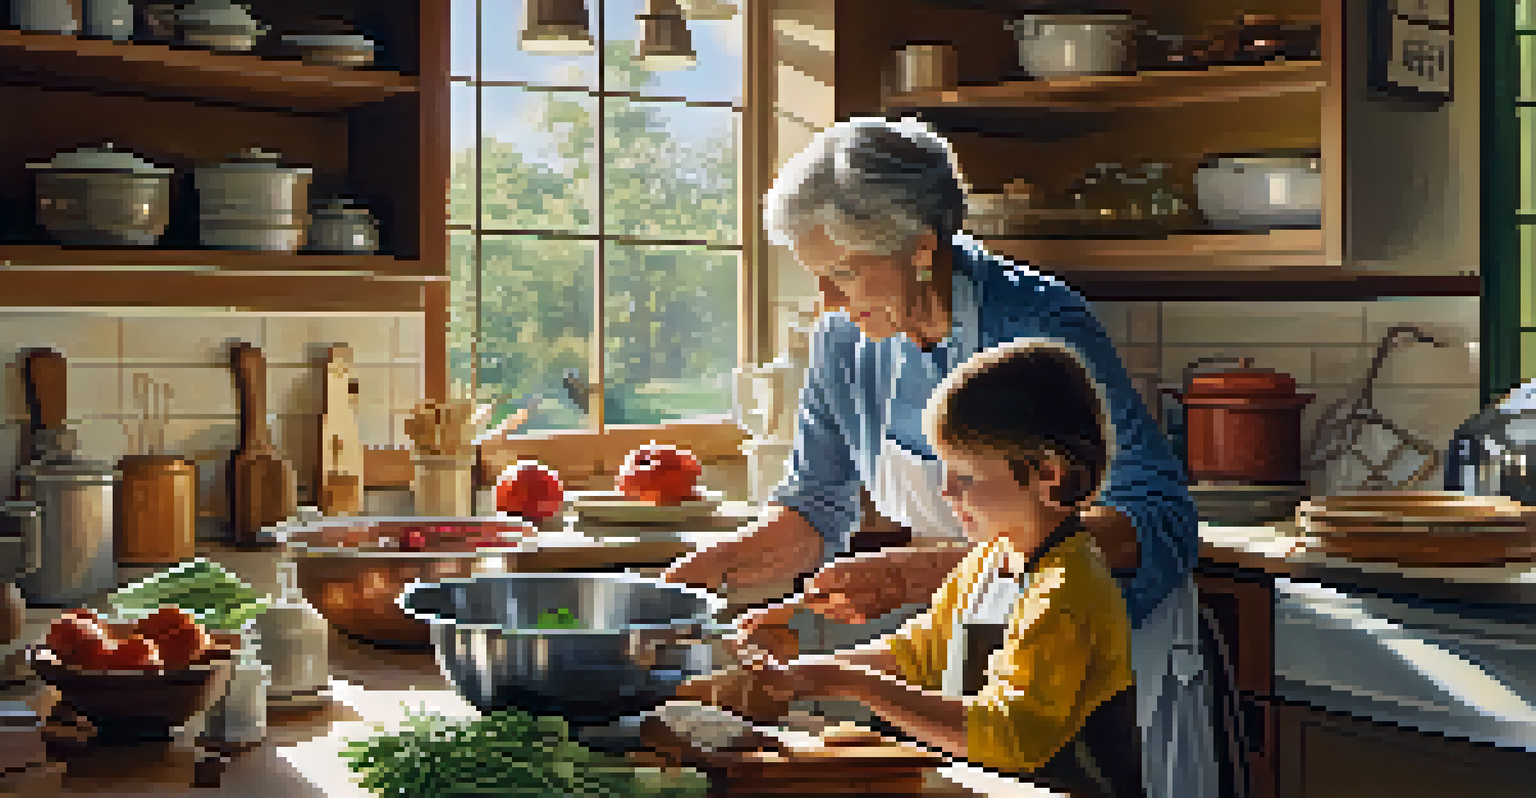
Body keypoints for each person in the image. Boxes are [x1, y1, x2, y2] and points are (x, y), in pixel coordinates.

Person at [662, 116, 1213, 797]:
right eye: (818, 277)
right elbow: (813, 508)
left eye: (843, 273)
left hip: (1095, 667)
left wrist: (928, 573)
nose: (827, 302)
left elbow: (1157, 517)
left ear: (921, 247)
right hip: (972, 642)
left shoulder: (1039, 328)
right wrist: (681, 592)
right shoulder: (845, 342)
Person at [684, 337, 1142, 797]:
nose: (946, 491)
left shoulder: (1067, 590)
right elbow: (914, 657)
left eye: (965, 476)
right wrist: (799, 673)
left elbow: (1009, 739)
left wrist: (844, 680)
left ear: (1048, 475)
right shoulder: (988, 563)